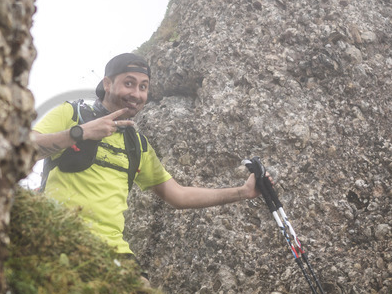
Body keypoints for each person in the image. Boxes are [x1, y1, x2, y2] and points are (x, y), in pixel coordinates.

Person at [31, 52, 263, 259]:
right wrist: (80, 133)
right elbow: (23, 148)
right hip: (59, 235)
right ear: (107, 83)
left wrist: (243, 192)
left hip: (113, 251)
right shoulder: (72, 114)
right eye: (129, 84)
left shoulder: (137, 145)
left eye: (143, 87)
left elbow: (179, 195)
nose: (136, 94)